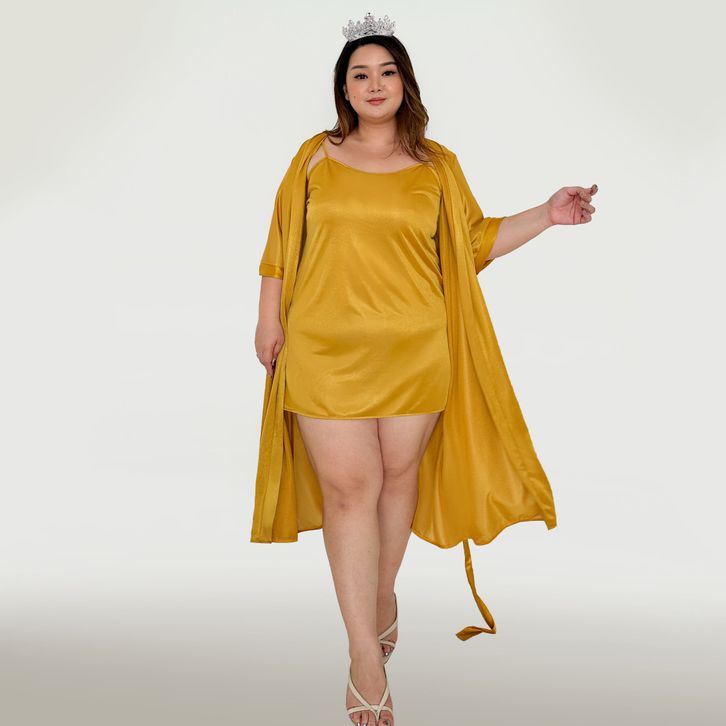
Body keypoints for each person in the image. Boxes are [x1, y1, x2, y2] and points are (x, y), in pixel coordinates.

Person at [252, 13, 597, 726]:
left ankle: (381, 595)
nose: (374, 84)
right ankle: (364, 655)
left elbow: (472, 242)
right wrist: (268, 318)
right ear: (344, 90)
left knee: (396, 476)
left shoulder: (437, 165)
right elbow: (281, 244)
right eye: (360, 74)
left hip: (415, 349)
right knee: (350, 487)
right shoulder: (314, 157)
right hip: (323, 348)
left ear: (405, 83)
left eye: (387, 72)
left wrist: (547, 214)